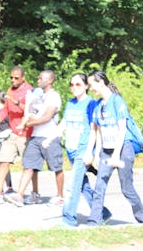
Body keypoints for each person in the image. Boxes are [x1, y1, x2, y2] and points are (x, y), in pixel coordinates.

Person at [83, 70, 143, 226]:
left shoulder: (117, 101)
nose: (91, 88)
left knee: (126, 188)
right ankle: (94, 221)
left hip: (123, 149)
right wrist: (97, 154)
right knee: (99, 185)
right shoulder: (98, 106)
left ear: (101, 82)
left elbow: (122, 130)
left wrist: (116, 155)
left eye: (92, 85)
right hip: (106, 150)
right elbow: (97, 131)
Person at [4, 70, 64, 207]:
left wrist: (28, 124)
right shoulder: (37, 96)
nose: (38, 80)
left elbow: (47, 117)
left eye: (40, 78)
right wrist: (25, 123)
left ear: (50, 80)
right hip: (35, 137)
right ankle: (19, 195)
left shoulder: (54, 96)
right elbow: (31, 113)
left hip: (50, 137)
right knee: (28, 165)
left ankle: (60, 196)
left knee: (56, 167)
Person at [59, 73, 112, 226]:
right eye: (72, 84)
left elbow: (95, 129)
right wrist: (50, 137)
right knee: (83, 185)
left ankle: (69, 220)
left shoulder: (91, 104)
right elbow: (65, 122)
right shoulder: (70, 103)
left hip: (83, 150)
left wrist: (91, 153)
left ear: (86, 86)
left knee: (72, 187)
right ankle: (102, 212)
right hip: (71, 150)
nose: (74, 87)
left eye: (78, 84)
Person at [0, 66, 33, 204]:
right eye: (11, 77)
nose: (13, 80)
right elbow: (5, 111)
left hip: (26, 133)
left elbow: (31, 110)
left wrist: (17, 102)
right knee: (4, 160)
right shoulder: (9, 91)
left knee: (29, 165)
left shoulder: (29, 91)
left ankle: (33, 192)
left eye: (16, 78)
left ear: (23, 78)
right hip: (13, 132)